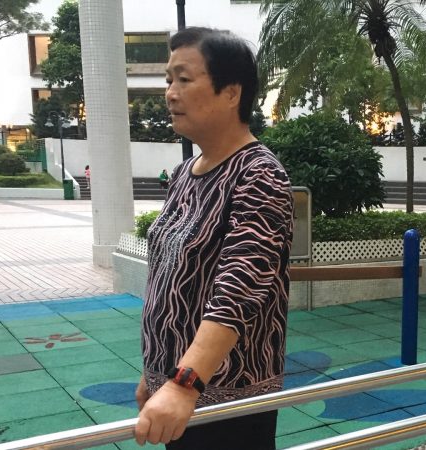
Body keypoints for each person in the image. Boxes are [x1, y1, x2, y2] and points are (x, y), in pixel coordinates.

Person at [134, 27, 294, 449]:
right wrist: (154, 372)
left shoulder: (259, 174)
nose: (170, 93)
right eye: (169, 79)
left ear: (231, 92)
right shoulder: (185, 174)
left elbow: (239, 290)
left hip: (226, 400)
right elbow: (169, 280)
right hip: (178, 387)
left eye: (184, 79)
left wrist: (184, 383)